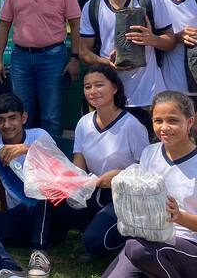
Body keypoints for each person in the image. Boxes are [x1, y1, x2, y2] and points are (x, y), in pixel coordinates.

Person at [102, 90, 197, 278]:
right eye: (158, 121)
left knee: (134, 248)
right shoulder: (149, 153)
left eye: (173, 120)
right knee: (134, 250)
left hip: (191, 245)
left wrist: (179, 216)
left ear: (190, 122)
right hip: (149, 238)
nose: (164, 127)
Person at [79, 0, 176, 133]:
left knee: (150, 155)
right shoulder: (92, 6)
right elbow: (84, 52)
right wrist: (105, 62)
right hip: (111, 100)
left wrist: (151, 39)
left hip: (149, 95)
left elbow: (170, 40)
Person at [57, 65, 149, 258]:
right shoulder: (84, 122)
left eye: (99, 85)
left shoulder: (132, 126)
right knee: (56, 202)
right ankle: (96, 228)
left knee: (95, 242)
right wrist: (69, 181)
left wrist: (118, 175)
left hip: (125, 197)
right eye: (87, 86)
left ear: (114, 88)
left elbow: (147, 170)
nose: (93, 91)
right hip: (94, 191)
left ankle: (129, 236)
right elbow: (79, 159)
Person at [0, 0, 82, 136]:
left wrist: (75, 57)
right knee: (20, 113)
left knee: (51, 115)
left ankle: (49, 163)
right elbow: (3, 24)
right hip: (20, 59)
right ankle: (21, 161)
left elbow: (75, 25)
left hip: (53, 57)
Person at [0, 93, 56, 278]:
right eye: (0, 120)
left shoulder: (39, 135)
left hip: (51, 220)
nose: (7, 125)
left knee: (43, 186)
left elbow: (61, 170)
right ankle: (8, 268)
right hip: (20, 218)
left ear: (23, 117)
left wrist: (27, 149)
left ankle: (39, 252)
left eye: (12, 118)